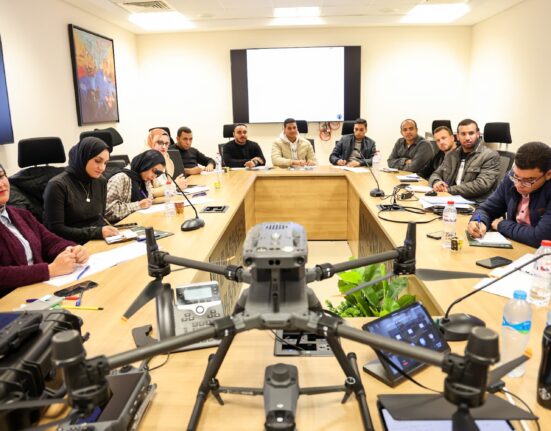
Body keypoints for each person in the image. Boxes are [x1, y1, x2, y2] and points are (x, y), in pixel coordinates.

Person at [0, 163, 89, 291]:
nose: (1, 184)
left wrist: (72, 250)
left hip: (40, 287)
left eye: (1, 176)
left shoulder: (22, 214)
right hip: (11, 298)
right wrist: (49, 270)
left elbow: (49, 241)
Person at [467, 142, 551, 248]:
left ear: (548, 174)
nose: (518, 185)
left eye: (528, 180)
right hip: (517, 245)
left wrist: (501, 225)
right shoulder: (510, 178)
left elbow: (541, 238)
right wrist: (478, 221)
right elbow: (486, 209)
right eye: (516, 177)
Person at [43, 137, 120, 244]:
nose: (102, 168)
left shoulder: (100, 181)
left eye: (105, 163)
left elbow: (99, 218)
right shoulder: (57, 185)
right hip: (70, 246)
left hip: (97, 240)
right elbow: (56, 230)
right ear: (83, 157)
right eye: (97, 161)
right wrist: (97, 232)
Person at [429, 119, 500, 201]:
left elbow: (482, 185)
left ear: (477, 134)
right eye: (463, 134)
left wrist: (448, 190)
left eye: (471, 133)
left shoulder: (490, 155)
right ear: (457, 136)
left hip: (475, 203)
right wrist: (436, 182)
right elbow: (436, 174)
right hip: (451, 199)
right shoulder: (452, 154)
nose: (467, 138)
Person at [105, 149, 165, 223]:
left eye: (157, 174)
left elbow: (148, 200)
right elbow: (108, 211)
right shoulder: (120, 178)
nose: (154, 176)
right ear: (145, 164)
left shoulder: (144, 179)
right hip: (119, 225)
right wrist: (138, 205)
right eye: (154, 171)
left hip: (140, 221)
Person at [146, 128, 187, 197]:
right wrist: (174, 185)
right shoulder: (145, 160)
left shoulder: (166, 158)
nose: (164, 147)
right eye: (160, 142)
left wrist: (176, 185)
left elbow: (166, 184)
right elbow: (148, 192)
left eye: (166, 143)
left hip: (166, 199)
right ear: (151, 142)